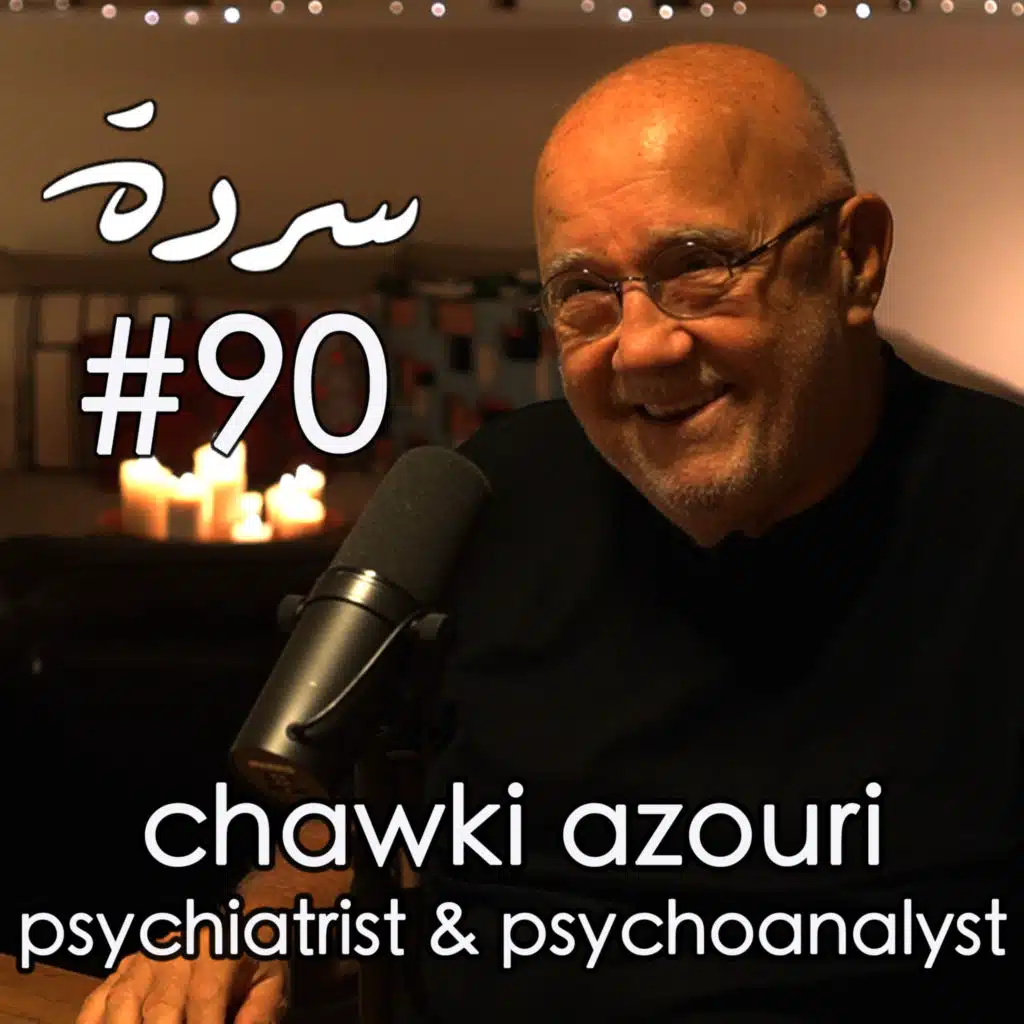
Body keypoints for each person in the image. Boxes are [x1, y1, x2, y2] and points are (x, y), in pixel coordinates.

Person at [78, 42, 1021, 1024]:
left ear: (854, 260)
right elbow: (357, 844)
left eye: (699, 267)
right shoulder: (486, 496)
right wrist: (246, 938)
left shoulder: (999, 509)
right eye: (585, 293)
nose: (641, 346)